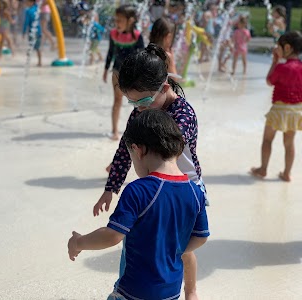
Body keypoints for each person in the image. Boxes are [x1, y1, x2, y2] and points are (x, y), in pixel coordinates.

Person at [95, 44, 209, 300]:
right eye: (131, 101)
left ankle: (190, 291)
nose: (138, 107)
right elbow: (126, 148)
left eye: (143, 100)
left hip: (185, 187)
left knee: (180, 247)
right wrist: (111, 188)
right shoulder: (140, 111)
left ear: (165, 87)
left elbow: (170, 152)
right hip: (154, 185)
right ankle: (130, 288)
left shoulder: (183, 114)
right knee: (136, 241)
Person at [68, 109, 209, 300]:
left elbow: (112, 236)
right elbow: (200, 238)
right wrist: (171, 251)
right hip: (171, 292)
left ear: (138, 150)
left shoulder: (138, 190)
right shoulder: (195, 191)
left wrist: (79, 242)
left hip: (133, 292)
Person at [250, 31, 302, 182]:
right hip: (296, 110)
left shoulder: (282, 68)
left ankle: (263, 169)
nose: (276, 49)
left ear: (287, 48)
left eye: (278, 47)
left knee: (267, 139)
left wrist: (275, 61)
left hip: (279, 109)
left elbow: (269, 81)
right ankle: (287, 173)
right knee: (289, 142)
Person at [104, 5, 145, 141]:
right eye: (116, 20)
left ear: (130, 20)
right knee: (117, 100)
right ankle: (115, 131)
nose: (117, 23)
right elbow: (110, 53)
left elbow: (143, 56)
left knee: (139, 102)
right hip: (116, 73)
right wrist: (105, 70)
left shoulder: (137, 36)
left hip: (132, 74)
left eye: (120, 20)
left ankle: (140, 131)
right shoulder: (114, 34)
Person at [22, 0, 43, 66]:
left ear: (31, 2)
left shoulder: (28, 11)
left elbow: (26, 22)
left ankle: (28, 61)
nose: (26, 3)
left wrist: (24, 32)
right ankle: (40, 61)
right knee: (37, 47)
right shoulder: (37, 9)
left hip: (32, 31)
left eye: (27, 2)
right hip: (38, 31)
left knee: (30, 46)